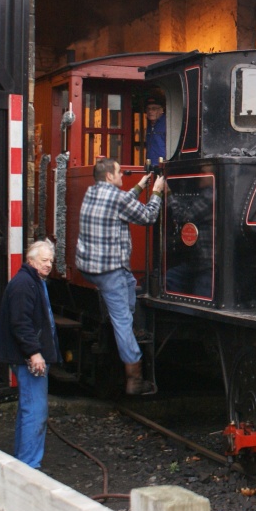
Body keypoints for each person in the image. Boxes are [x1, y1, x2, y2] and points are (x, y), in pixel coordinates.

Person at [75, 157, 165, 395]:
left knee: (130, 285)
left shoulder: (92, 192)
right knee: (122, 320)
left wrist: (140, 186)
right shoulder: (116, 198)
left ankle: (129, 332)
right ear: (109, 177)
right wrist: (156, 193)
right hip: (108, 270)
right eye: (119, 172)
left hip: (89, 266)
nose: (122, 176)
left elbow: (123, 201)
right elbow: (148, 217)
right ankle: (134, 379)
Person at [0, 239, 60, 469]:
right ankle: (30, 466)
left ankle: (22, 461)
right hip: (28, 358)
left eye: (51, 260)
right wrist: (34, 353)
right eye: (44, 260)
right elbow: (20, 323)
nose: (49, 264)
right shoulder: (25, 285)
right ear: (31, 260)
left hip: (26, 356)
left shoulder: (33, 281)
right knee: (35, 410)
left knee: (28, 408)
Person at [144, 96, 166, 166]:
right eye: (148, 109)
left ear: (161, 110)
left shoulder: (167, 123)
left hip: (162, 165)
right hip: (150, 164)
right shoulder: (149, 124)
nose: (150, 111)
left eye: (154, 109)